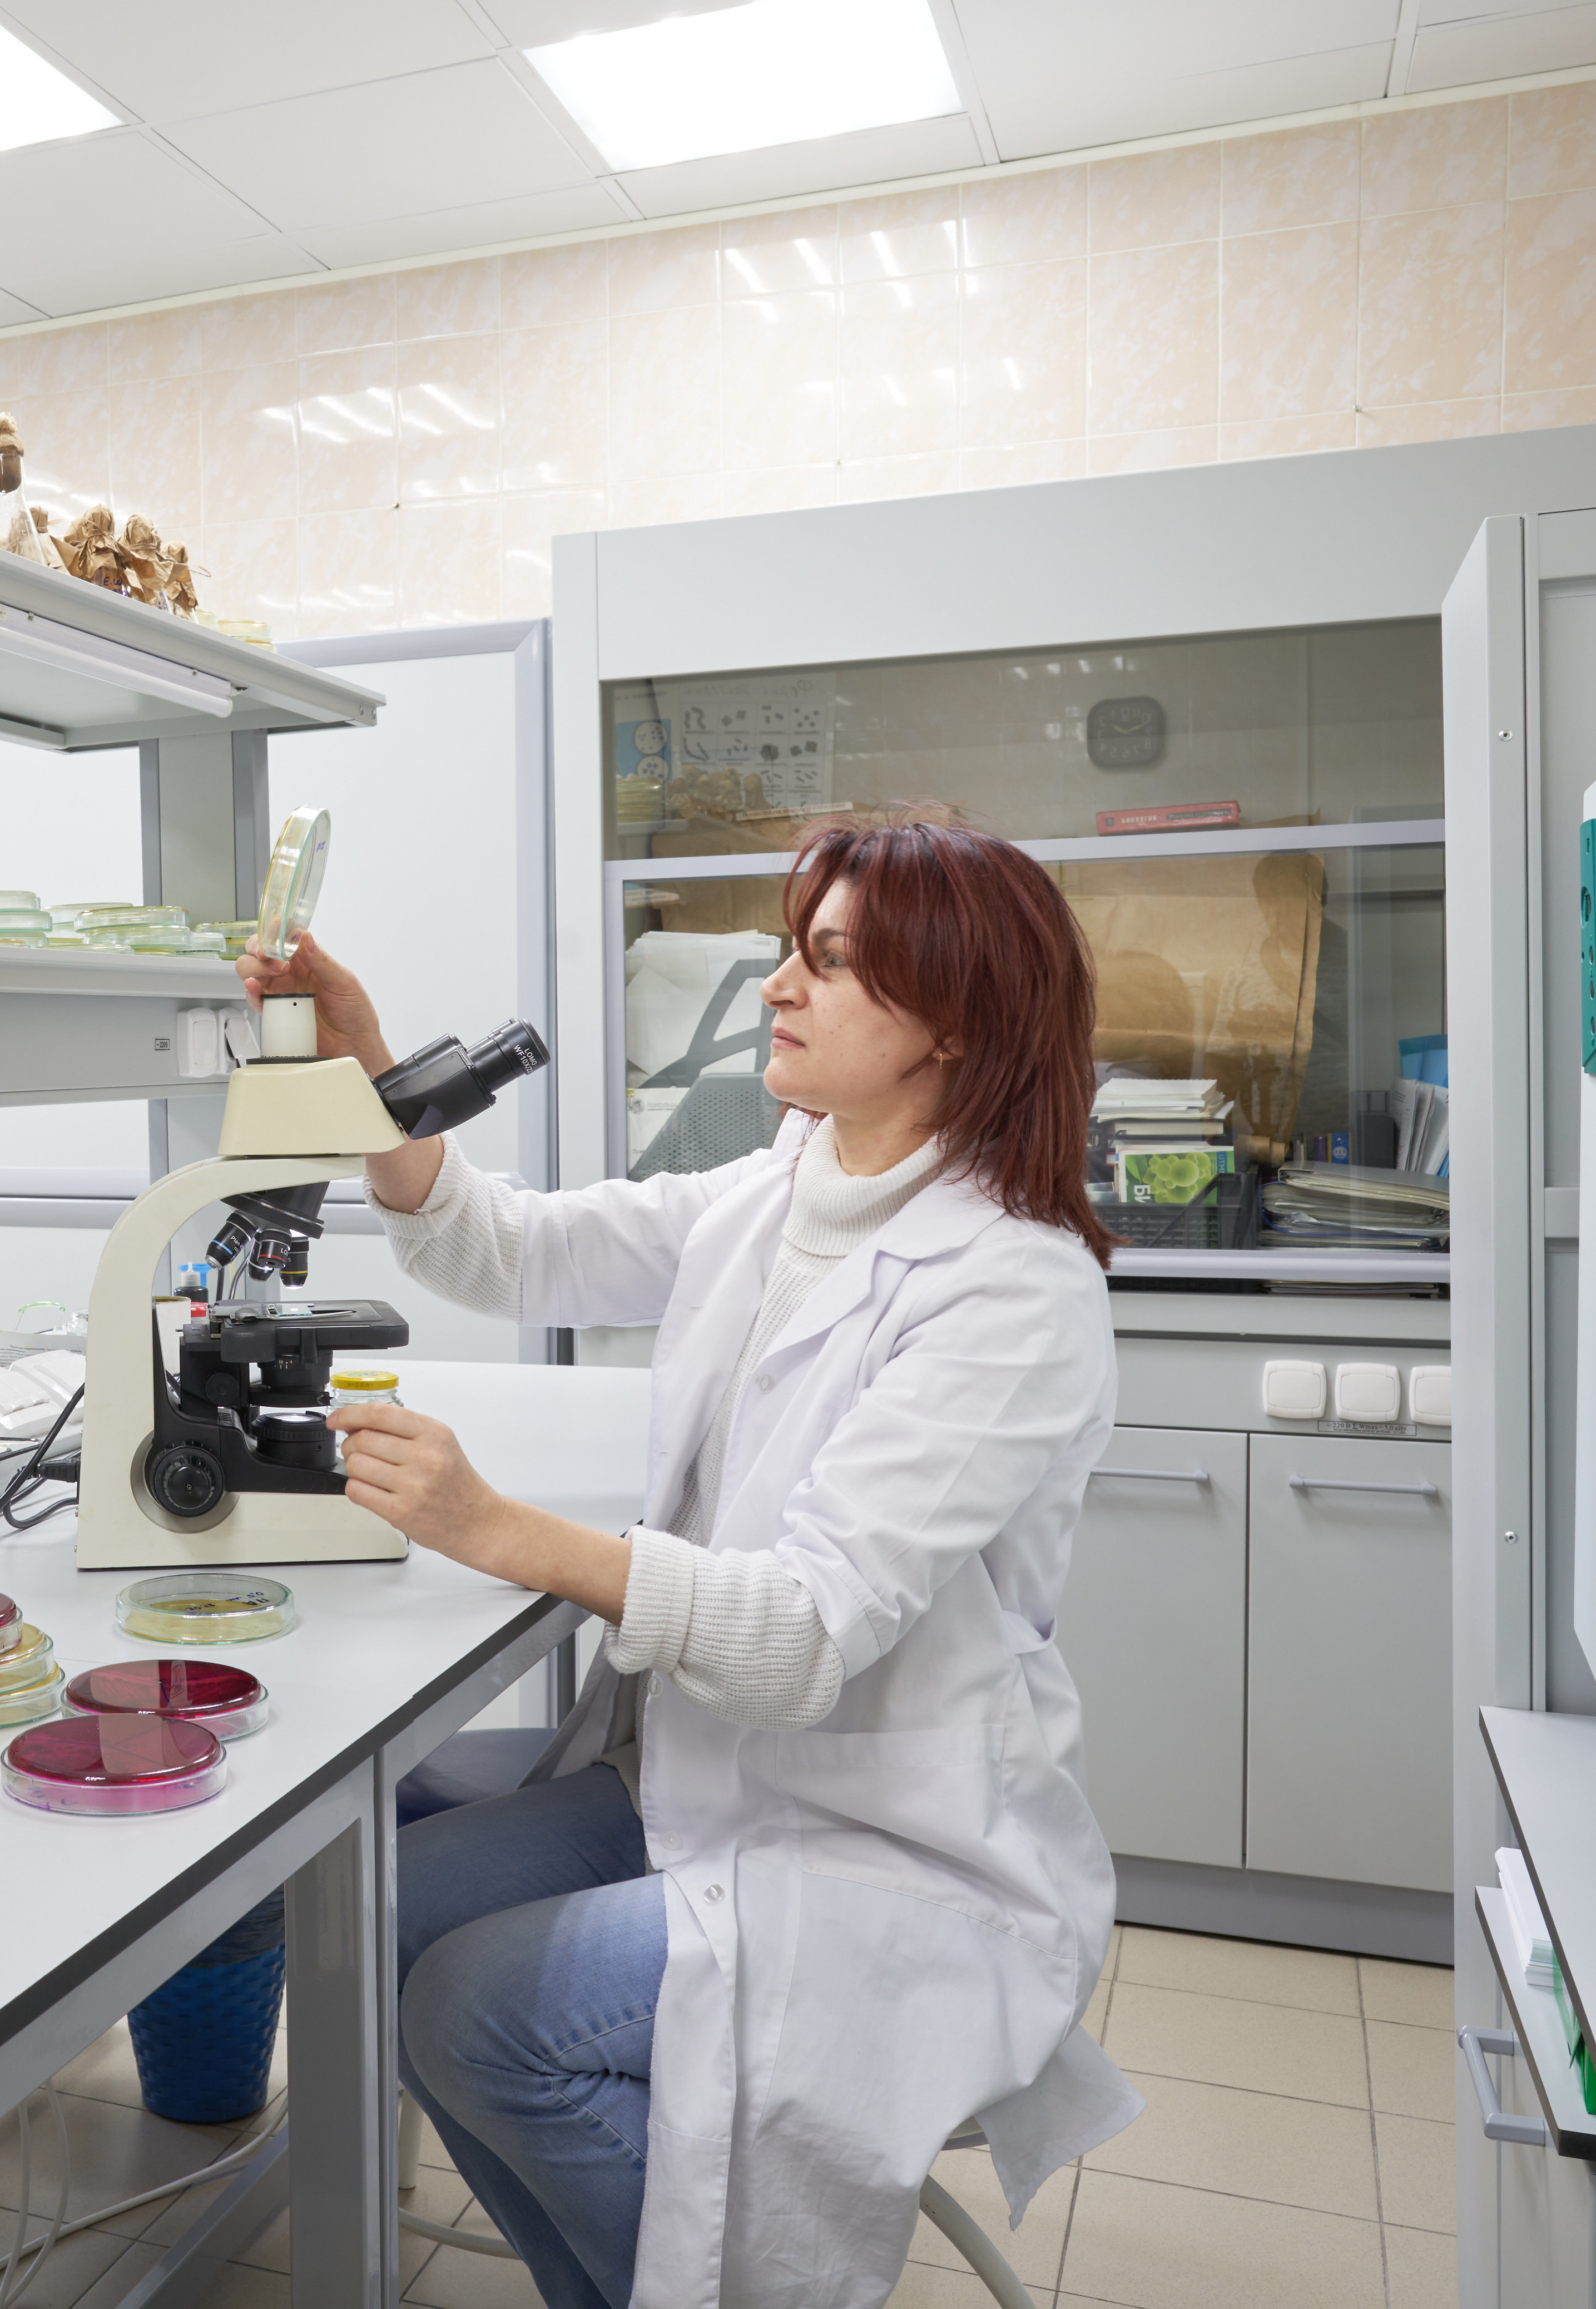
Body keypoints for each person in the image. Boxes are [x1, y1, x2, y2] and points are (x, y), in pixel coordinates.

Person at [237, 815, 1142, 2309]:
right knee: (381, 1914)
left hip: (892, 1845)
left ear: (955, 1021)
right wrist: (366, 1068)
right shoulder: (783, 1186)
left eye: (829, 961)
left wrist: (497, 1526)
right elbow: (508, 1248)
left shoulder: (1012, 1286)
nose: (777, 985)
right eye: (795, 947)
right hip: (709, 1780)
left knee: (474, 2011)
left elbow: (799, 1635)